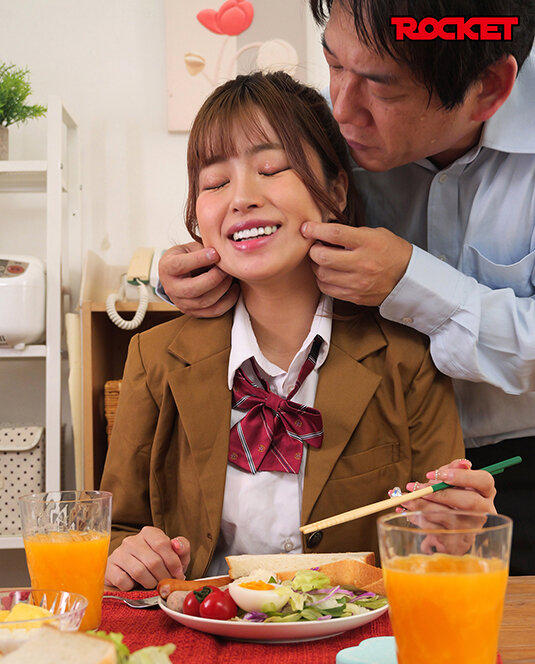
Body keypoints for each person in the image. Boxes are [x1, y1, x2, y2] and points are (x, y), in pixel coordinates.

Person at [158, 1, 535, 576]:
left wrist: (411, 280)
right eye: (334, 65)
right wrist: (189, 276)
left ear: (487, 89)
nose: (342, 108)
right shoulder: (339, 144)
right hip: (383, 456)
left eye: (382, 88)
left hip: (513, 460)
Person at [103, 71, 496, 592]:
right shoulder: (155, 357)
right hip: (204, 640)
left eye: (271, 168)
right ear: (198, 217)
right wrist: (128, 557)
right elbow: (114, 534)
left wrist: (451, 533)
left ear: (335, 190)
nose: (241, 198)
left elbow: (434, 550)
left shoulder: (408, 354)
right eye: (214, 183)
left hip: (350, 648)